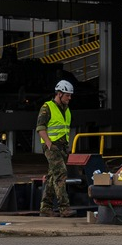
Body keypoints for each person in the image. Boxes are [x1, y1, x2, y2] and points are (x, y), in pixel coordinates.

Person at [36, 79, 75, 218]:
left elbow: (64, 129)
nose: (69, 98)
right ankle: (64, 208)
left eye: (70, 95)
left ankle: (45, 207)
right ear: (59, 94)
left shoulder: (66, 109)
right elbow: (40, 128)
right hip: (52, 146)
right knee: (61, 174)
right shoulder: (47, 107)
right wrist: (49, 144)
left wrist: (67, 146)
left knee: (52, 176)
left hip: (63, 147)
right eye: (67, 95)